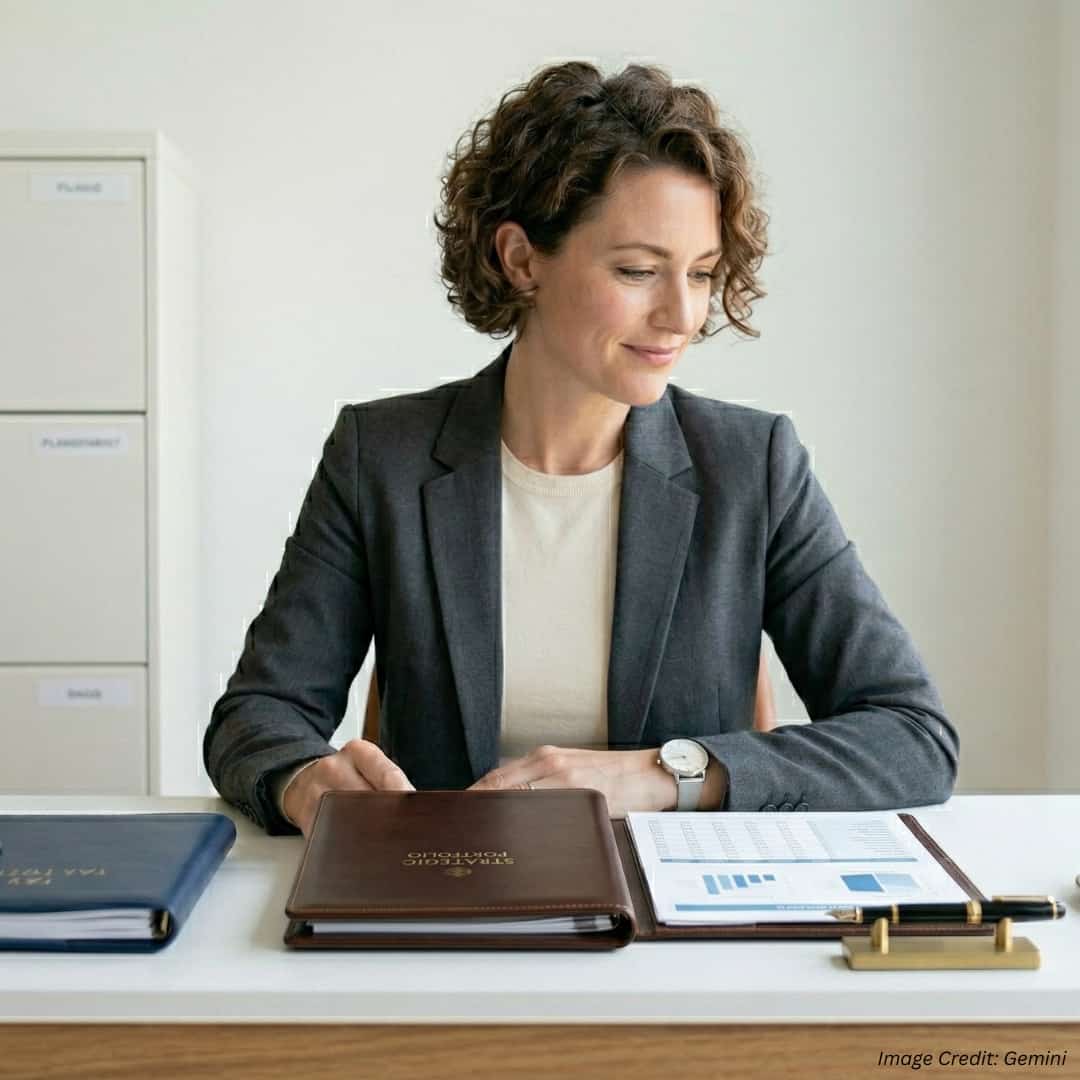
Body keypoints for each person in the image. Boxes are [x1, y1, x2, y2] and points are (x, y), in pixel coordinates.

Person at [203, 60, 958, 838]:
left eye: (701, 274)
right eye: (637, 270)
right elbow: (257, 717)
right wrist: (304, 780)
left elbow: (912, 737)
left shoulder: (754, 464)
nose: (681, 315)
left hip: (672, 924)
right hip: (443, 906)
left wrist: (661, 772)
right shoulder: (381, 456)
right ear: (521, 259)